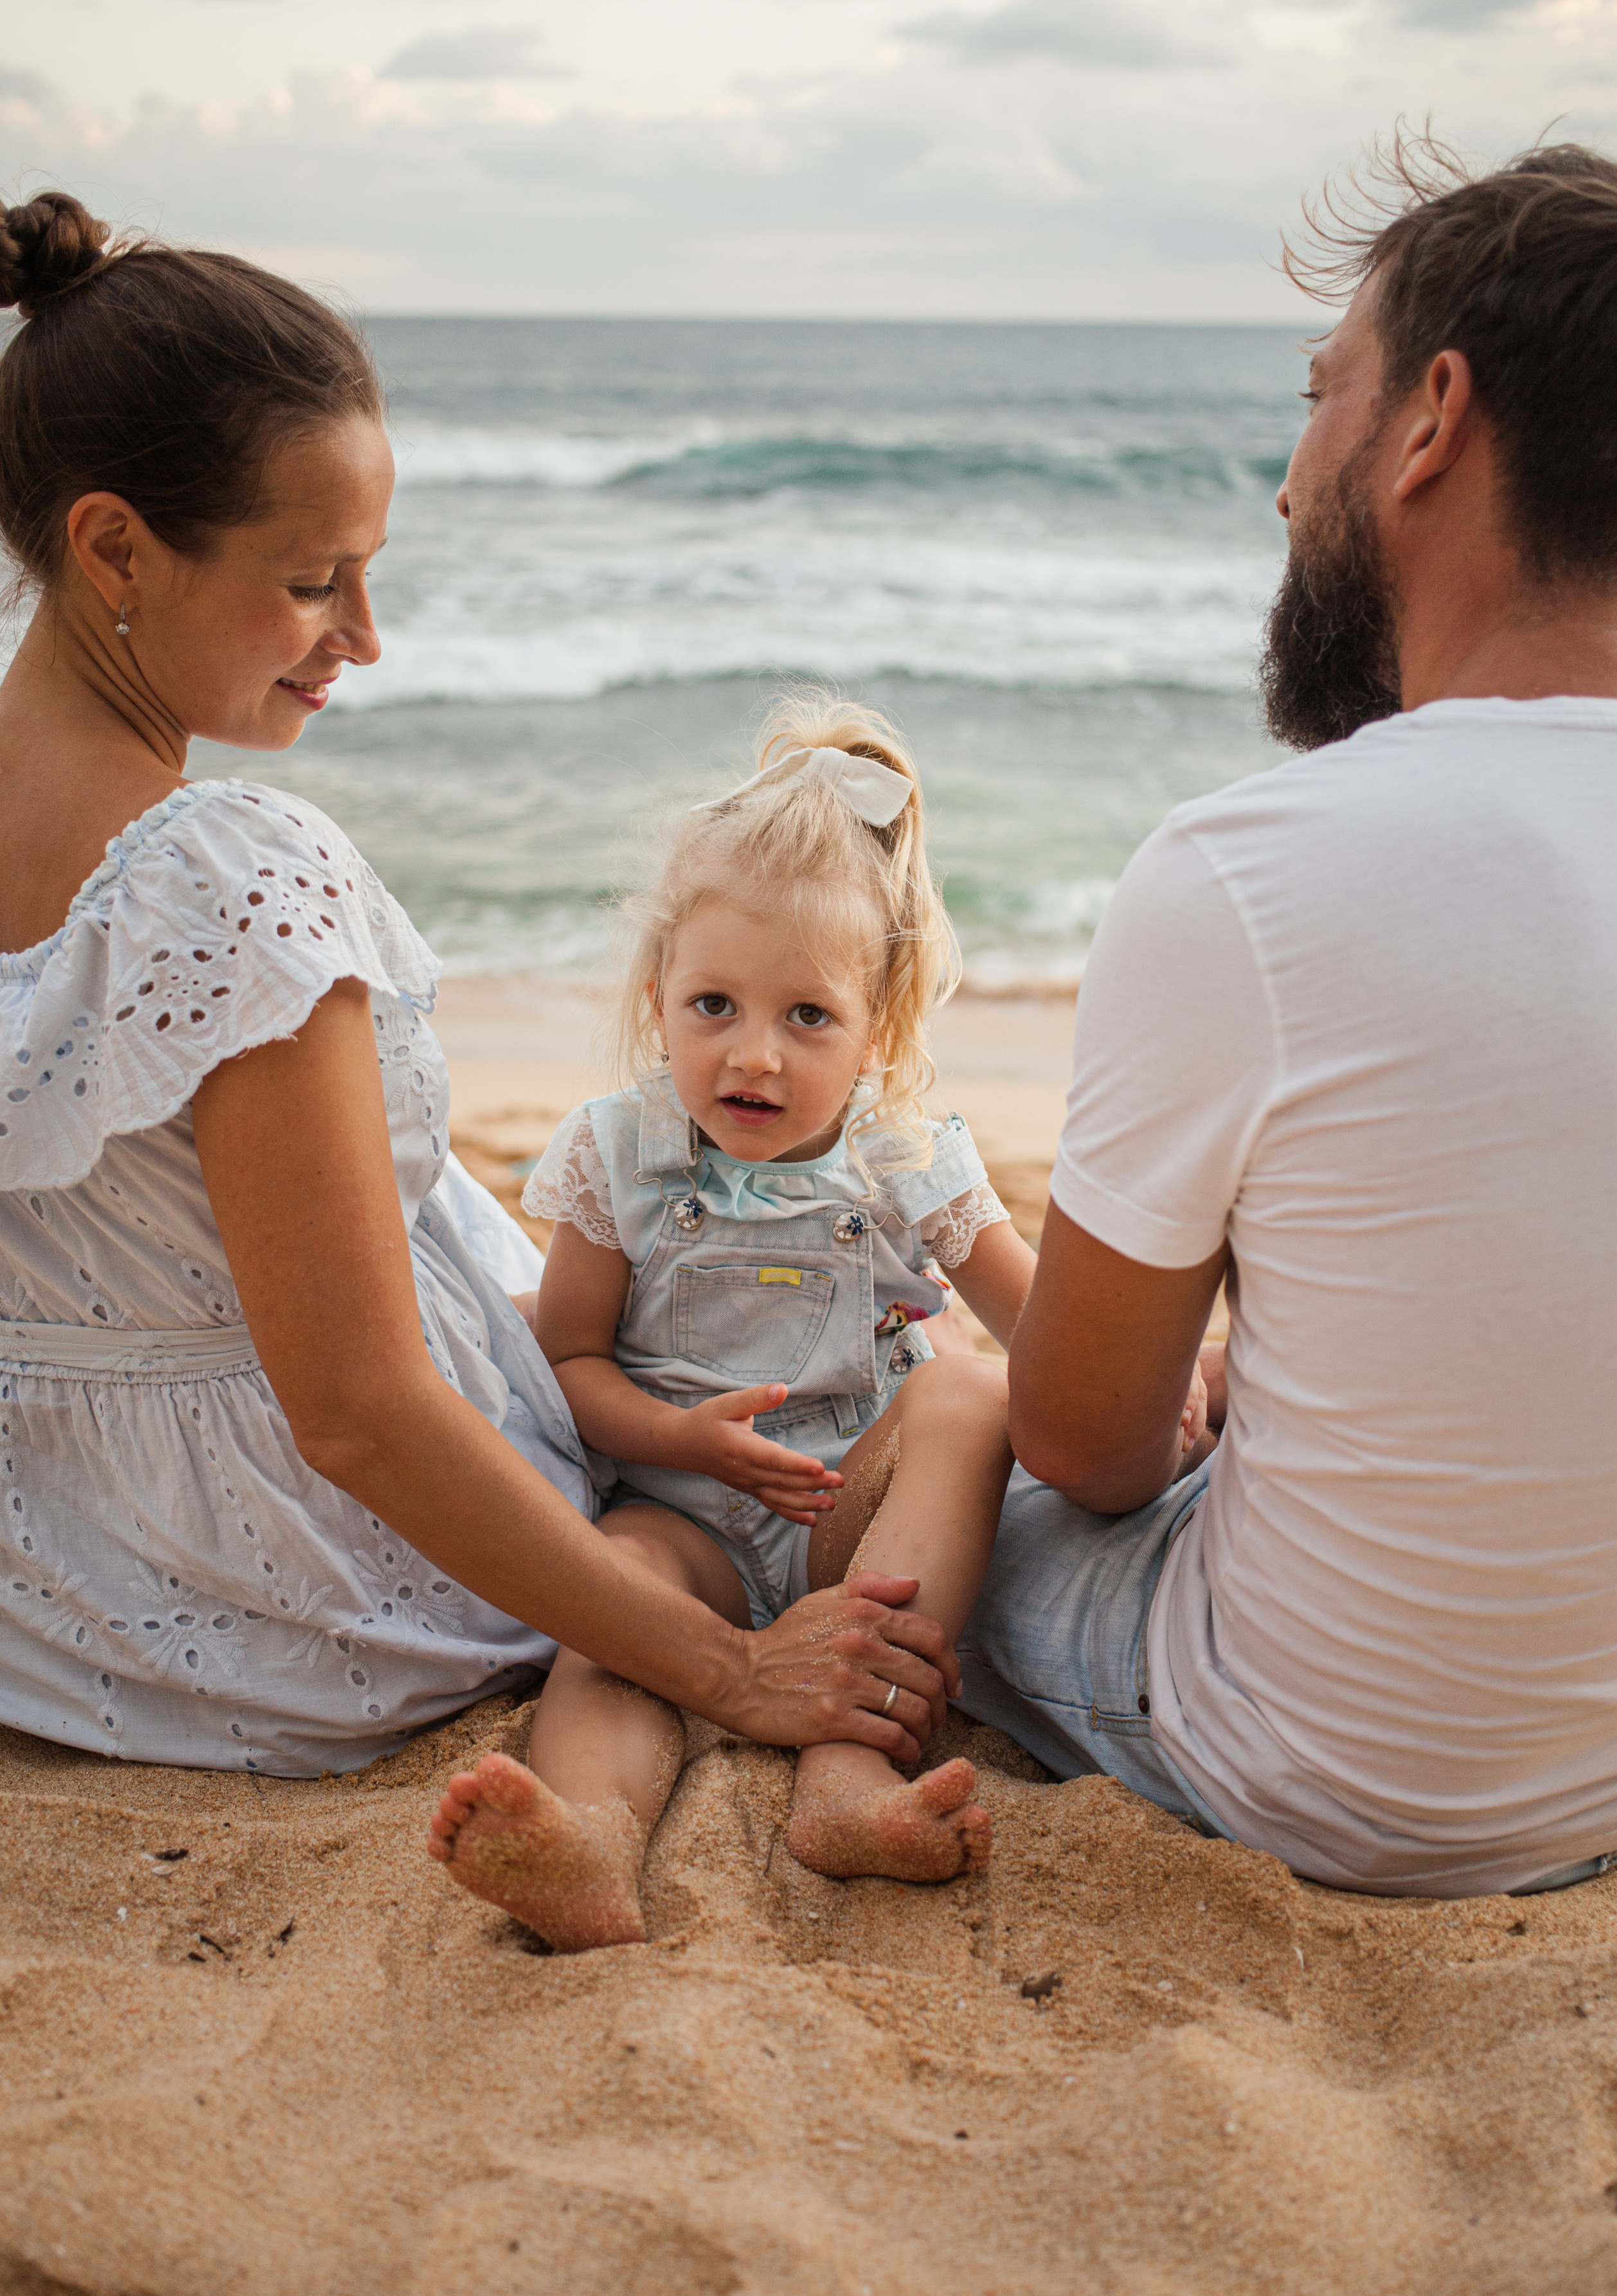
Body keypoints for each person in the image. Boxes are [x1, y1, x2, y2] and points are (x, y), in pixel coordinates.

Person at [0, 192, 960, 1800]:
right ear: (113, 545)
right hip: (313, 1601)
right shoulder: (223, 875)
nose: (361, 639)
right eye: (315, 581)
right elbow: (364, 1412)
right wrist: (731, 1671)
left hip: (50, 1598)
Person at [963, 136, 1617, 1898]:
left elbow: (1089, 1446)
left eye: (1315, 393)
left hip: (1330, 1783)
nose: (1286, 485)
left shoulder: (1248, 872)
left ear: (1429, 421)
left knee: (950, 1447)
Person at [428, 706, 1117, 1944]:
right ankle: (589, 1837)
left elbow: (1047, 1328)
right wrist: (683, 1443)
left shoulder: (911, 1156)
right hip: (676, 1519)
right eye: (713, 1006)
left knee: (966, 1388)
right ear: (658, 996)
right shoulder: (616, 1154)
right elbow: (569, 1357)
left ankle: (849, 1788)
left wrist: (1187, 1367)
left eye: (809, 1018)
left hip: (843, 1523)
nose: (755, 1055)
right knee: (614, 1603)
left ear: (880, 1029)